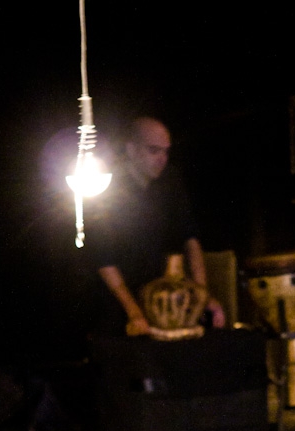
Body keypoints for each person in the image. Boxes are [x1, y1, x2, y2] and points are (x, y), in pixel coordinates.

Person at [89, 116, 225, 335]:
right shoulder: (106, 186)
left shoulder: (170, 180)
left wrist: (203, 296)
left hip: (155, 295)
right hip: (114, 299)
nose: (162, 158)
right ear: (131, 150)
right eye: (154, 151)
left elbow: (190, 238)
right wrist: (134, 312)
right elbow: (104, 259)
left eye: (166, 151)